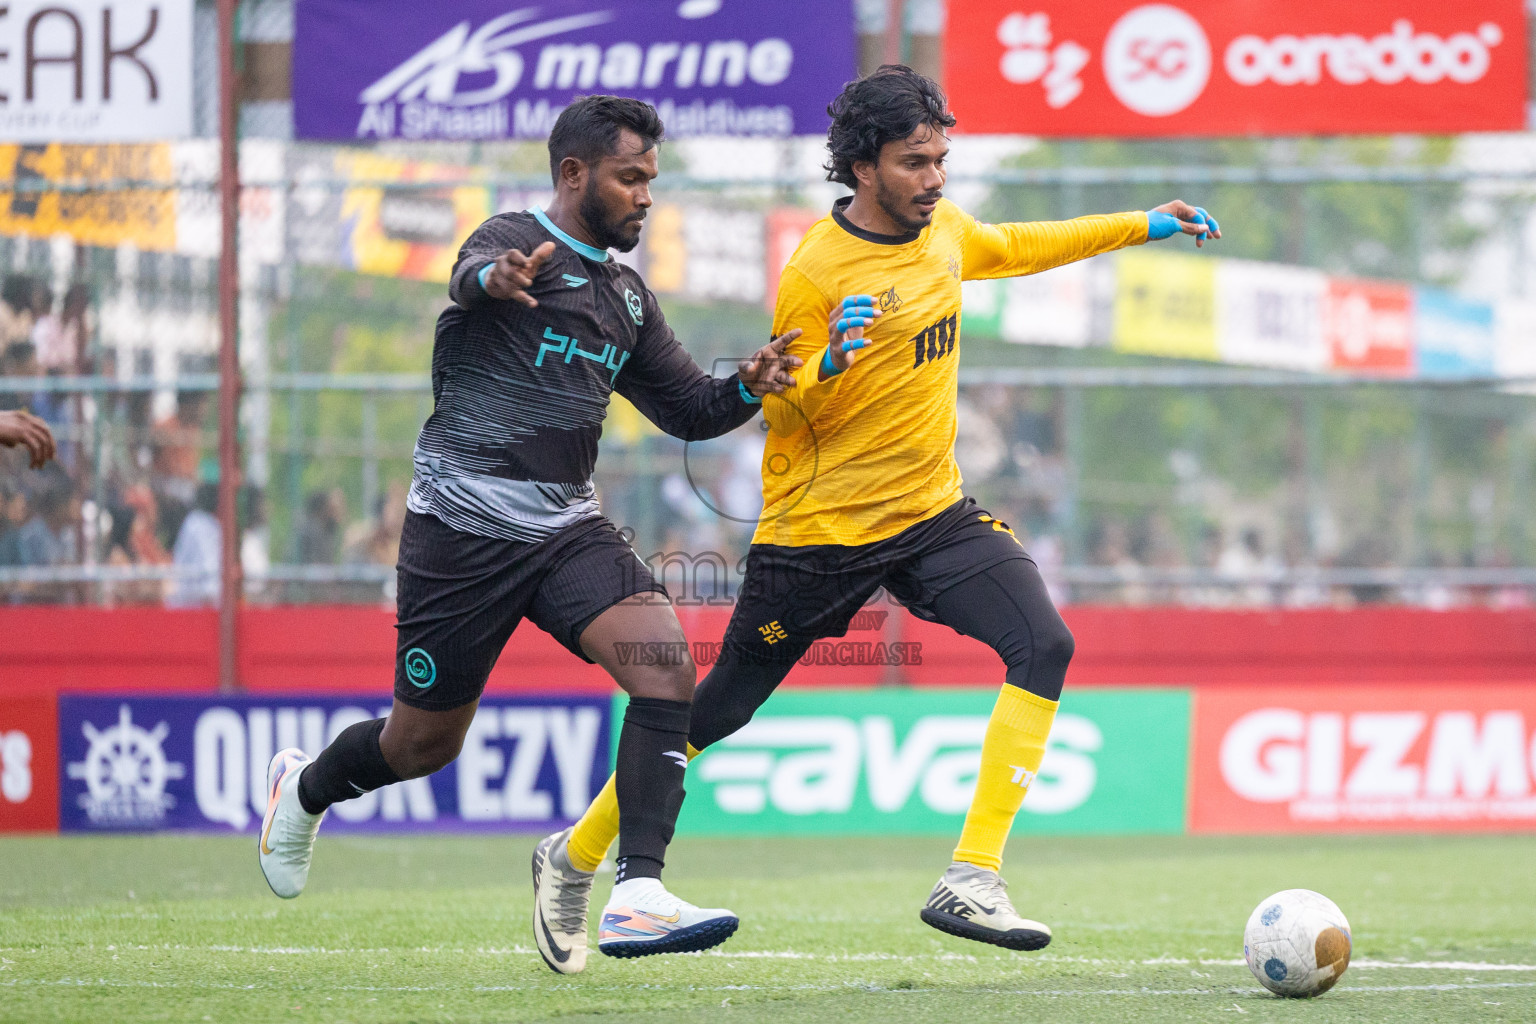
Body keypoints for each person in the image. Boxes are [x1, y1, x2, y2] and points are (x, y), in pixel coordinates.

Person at [550, 65, 1221, 961]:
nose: (935, 178)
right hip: (817, 535)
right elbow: (777, 415)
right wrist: (831, 360)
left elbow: (1022, 245)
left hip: (931, 515)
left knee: (1045, 643)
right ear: (863, 168)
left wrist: (1144, 223)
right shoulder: (816, 272)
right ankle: (575, 855)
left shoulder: (945, 232)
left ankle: (972, 876)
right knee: (716, 712)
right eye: (915, 162)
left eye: (942, 158)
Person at [256, 95, 802, 971]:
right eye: (631, 177)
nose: (645, 195)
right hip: (459, 532)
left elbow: (690, 410)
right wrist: (493, 279)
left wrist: (749, 383)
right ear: (575, 174)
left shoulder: (627, 299)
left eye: (651, 179)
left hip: (563, 529)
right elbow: (466, 274)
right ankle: (307, 788)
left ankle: (636, 893)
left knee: (666, 666)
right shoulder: (513, 240)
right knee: (420, 746)